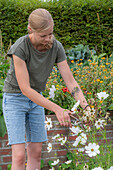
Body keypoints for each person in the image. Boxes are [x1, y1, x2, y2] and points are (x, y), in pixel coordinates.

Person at [2, 8, 90, 170]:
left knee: (36, 152)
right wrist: (57, 109)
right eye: (43, 35)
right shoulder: (20, 48)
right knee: (19, 155)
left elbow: (70, 82)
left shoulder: (56, 47)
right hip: (15, 99)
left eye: (50, 34)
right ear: (30, 30)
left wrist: (87, 107)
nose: (48, 39)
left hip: (37, 100)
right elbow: (26, 89)